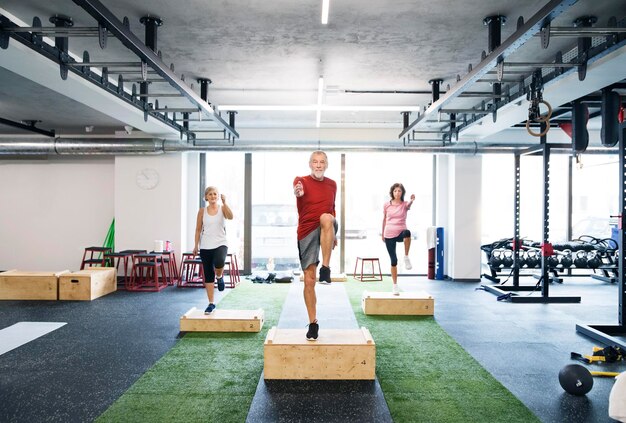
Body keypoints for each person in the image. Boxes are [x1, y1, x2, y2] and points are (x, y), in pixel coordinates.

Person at [293, 150, 337, 340]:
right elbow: (298, 190)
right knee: (309, 280)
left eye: (322, 162)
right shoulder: (300, 180)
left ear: (326, 165)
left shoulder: (332, 184)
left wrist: (335, 234)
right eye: (315, 162)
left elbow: (332, 208)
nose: (318, 165)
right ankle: (313, 323)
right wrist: (298, 192)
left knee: (327, 217)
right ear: (310, 164)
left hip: (326, 224)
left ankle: (326, 268)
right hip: (306, 230)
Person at [193, 186, 233, 314]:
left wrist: (225, 202)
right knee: (208, 274)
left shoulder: (222, 209)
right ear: (206, 197)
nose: (213, 196)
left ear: (218, 196)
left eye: (215, 194)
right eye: (210, 194)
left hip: (221, 243)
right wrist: (195, 245)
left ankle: (220, 276)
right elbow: (198, 229)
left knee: (220, 261)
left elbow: (231, 216)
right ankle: (211, 303)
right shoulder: (201, 211)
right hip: (205, 245)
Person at [382, 183, 415, 295]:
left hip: (401, 232)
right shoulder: (387, 205)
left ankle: (406, 257)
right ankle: (395, 285)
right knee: (394, 261)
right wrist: (382, 233)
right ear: (392, 192)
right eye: (395, 191)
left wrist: (412, 200)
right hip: (389, 233)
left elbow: (409, 205)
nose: (397, 193)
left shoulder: (405, 204)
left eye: (399, 191)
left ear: (402, 193)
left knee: (407, 233)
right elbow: (384, 219)